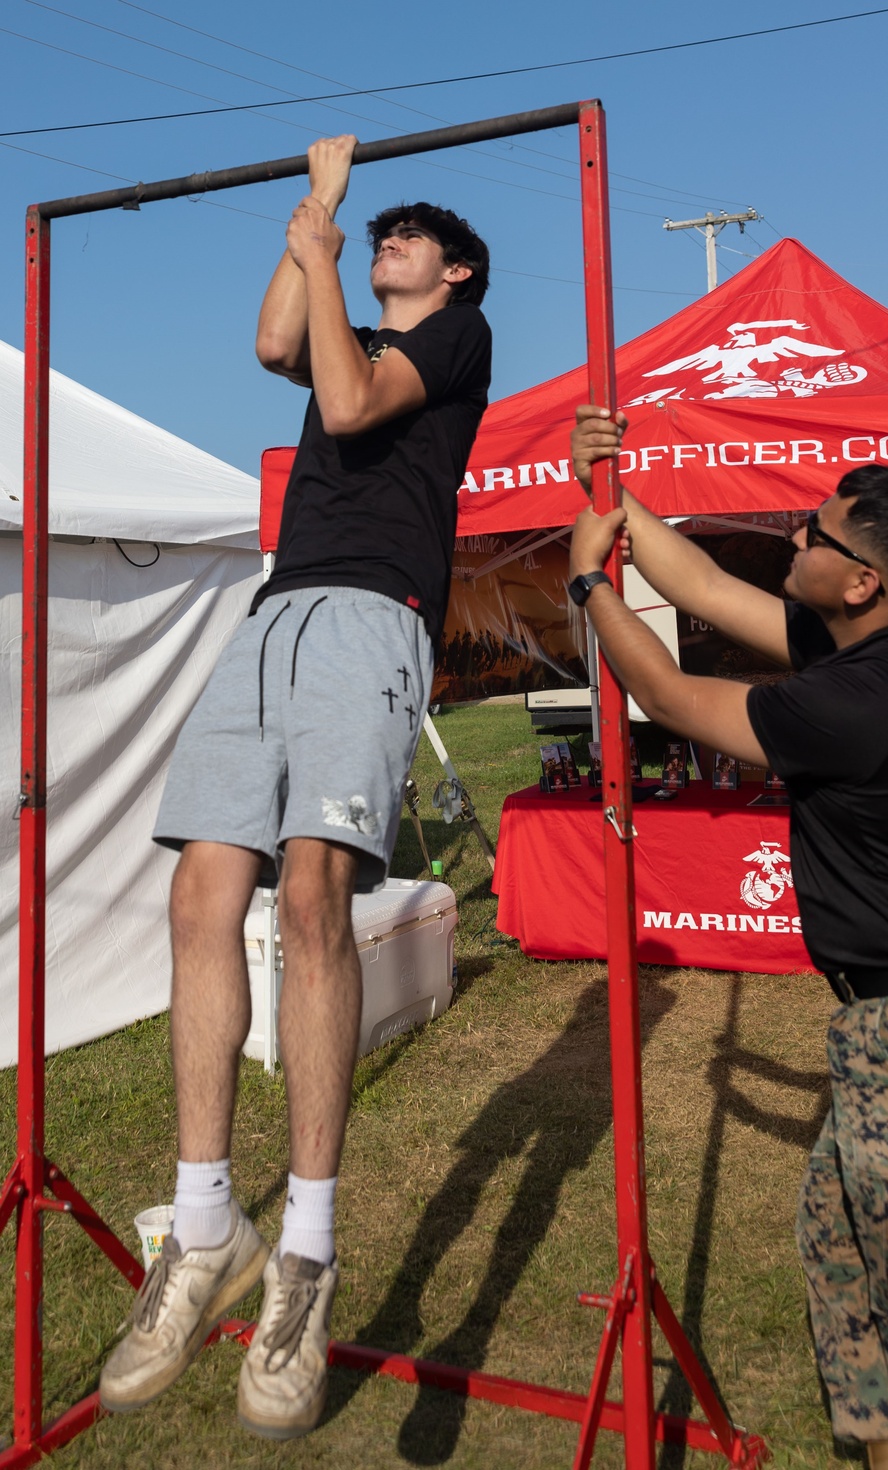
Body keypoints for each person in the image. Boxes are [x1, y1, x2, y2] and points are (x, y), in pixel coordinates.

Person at [99, 135, 491, 1441]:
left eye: (409, 237)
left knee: (314, 895)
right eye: (381, 237)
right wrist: (310, 221)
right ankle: (205, 1219)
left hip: (376, 616)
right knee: (202, 890)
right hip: (278, 610)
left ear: (459, 271)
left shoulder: (455, 344)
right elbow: (279, 349)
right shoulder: (339, 301)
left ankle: (308, 1254)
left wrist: (325, 256)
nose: (392, 246)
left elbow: (343, 401)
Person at [568, 405, 888, 1470]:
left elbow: (668, 694)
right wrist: (612, 497)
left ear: (860, 583)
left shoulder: (858, 701)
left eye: (814, 538)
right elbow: (711, 593)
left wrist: (589, 588)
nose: (793, 543)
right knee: (846, 1266)